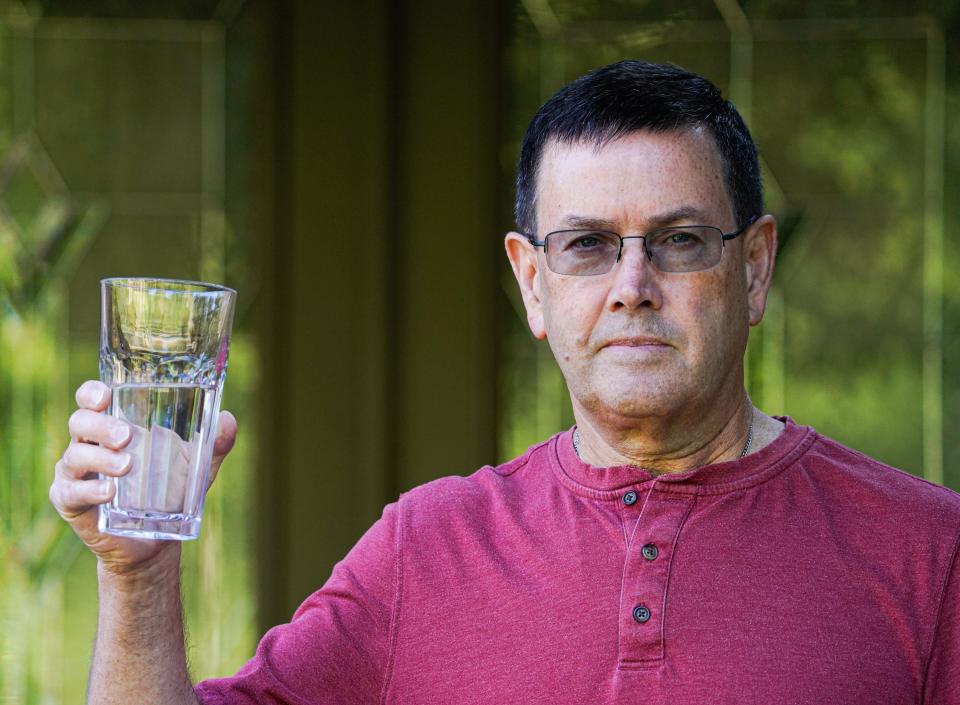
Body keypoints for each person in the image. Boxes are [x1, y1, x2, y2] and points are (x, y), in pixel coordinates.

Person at [50, 60, 959, 705]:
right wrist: (138, 576)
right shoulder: (424, 550)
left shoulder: (929, 552)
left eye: (680, 240)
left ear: (754, 267)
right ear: (533, 281)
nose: (631, 285)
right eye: (588, 245)